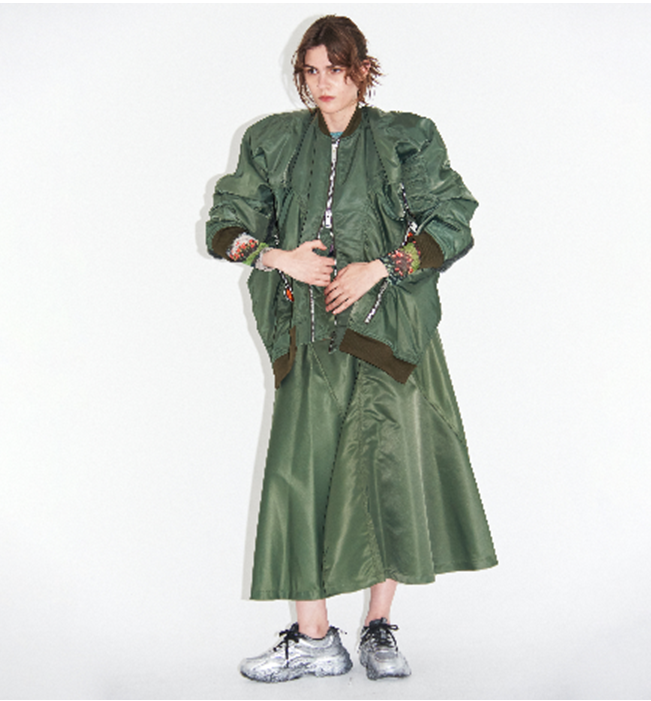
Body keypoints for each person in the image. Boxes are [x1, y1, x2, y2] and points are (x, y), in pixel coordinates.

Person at [205, 15, 496, 683]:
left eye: (334, 70)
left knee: (386, 475)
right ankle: (313, 637)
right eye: (310, 71)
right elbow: (225, 225)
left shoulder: (405, 138)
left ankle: (378, 627)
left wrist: (380, 268)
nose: (321, 84)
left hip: (388, 332)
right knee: (297, 480)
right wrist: (279, 257)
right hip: (309, 335)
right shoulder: (271, 142)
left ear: (361, 70)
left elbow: (453, 219)